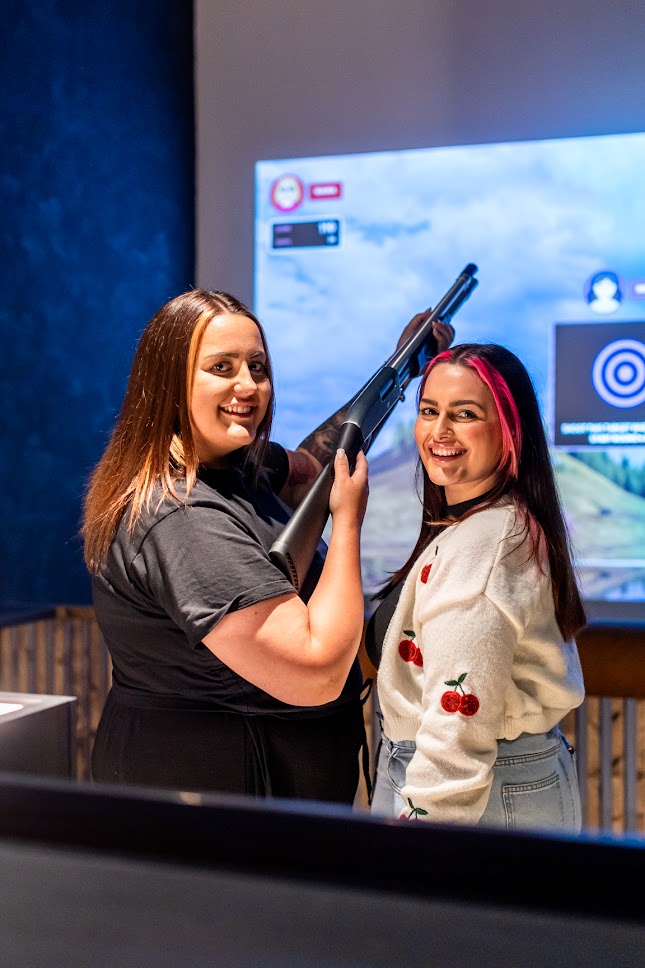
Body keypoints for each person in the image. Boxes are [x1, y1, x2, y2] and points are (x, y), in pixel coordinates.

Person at [83, 287, 453, 803]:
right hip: (219, 804)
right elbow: (317, 671)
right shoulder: (183, 519)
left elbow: (313, 467)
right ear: (169, 382)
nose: (248, 385)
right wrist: (347, 522)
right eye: (222, 367)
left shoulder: (230, 466)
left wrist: (397, 369)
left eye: (257, 367)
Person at [367, 343, 586, 831]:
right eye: (429, 411)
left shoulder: (485, 543)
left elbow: (456, 730)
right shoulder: (488, 523)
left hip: (478, 791)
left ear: (509, 429)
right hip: (498, 782)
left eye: (464, 414)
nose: (440, 431)